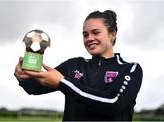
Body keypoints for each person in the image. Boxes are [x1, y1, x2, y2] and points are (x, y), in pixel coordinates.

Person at [14, 10, 143, 121]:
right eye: (85, 34)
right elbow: (34, 88)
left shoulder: (130, 69)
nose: (89, 38)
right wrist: (24, 75)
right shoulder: (73, 65)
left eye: (96, 32)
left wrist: (63, 83)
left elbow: (113, 103)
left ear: (113, 34)